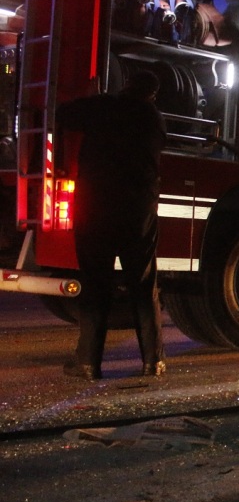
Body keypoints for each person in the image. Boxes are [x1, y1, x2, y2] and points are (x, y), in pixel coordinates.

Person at [56, 71, 167, 380]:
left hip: (96, 211)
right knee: (144, 288)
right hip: (138, 214)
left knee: (96, 287)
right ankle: (152, 362)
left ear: (126, 84)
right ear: (152, 95)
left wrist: (93, 97)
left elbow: (63, 114)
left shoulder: (103, 107)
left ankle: (89, 364)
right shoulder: (154, 119)